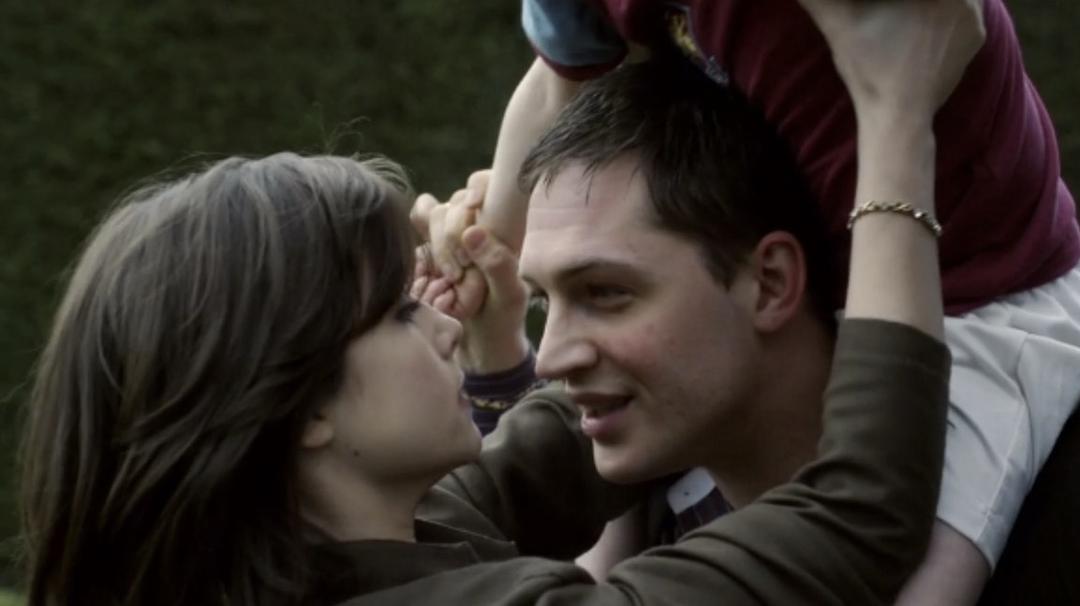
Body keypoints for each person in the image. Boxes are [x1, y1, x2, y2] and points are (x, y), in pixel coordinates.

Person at [19, 0, 976, 603]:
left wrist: (519, 306)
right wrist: (894, 113)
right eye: (398, 313)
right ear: (303, 407)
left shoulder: (368, 541)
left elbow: (564, 445)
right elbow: (861, 511)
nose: (440, 321)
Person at [420, 0, 1080, 600]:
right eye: (549, 300)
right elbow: (559, 72)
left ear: (771, 280)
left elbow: (863, 510)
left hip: (980, 298)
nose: (554, 356)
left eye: (605, 293)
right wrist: (487, 244)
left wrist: (897, 116)